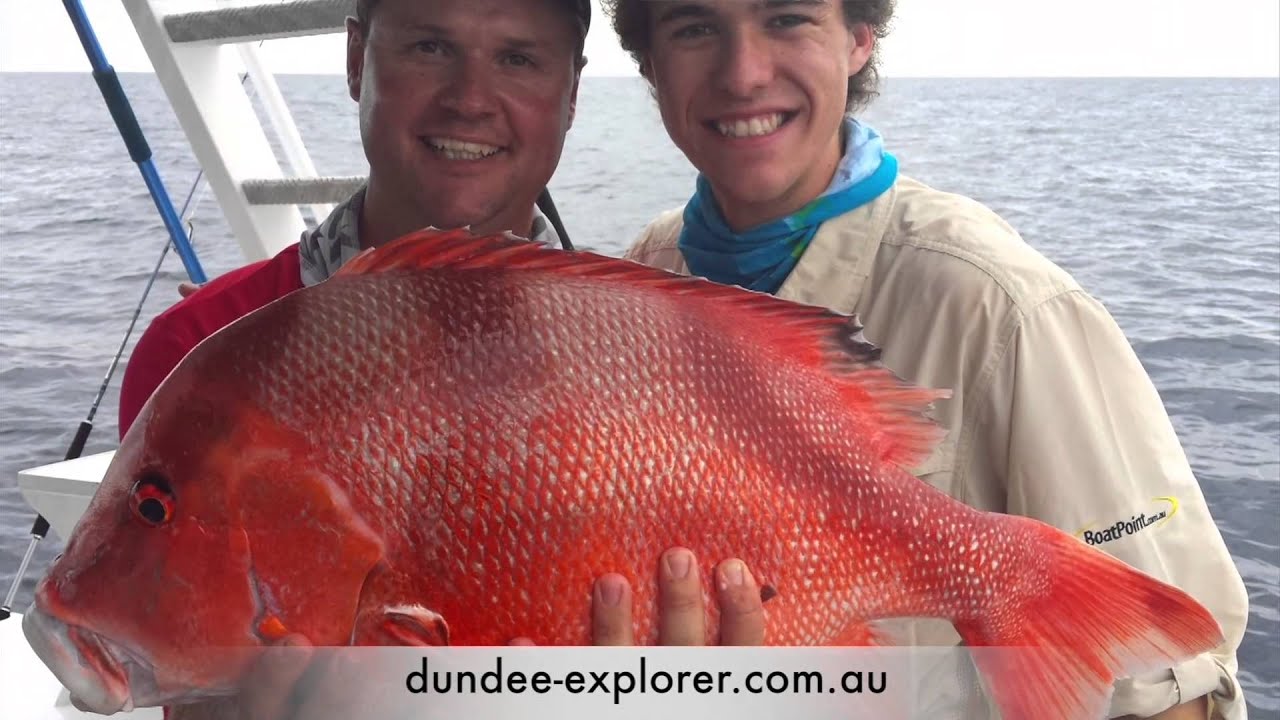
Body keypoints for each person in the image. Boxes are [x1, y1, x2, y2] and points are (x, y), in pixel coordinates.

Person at [596, 0, 1250, 718]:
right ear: (651, 66)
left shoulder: (999, 301)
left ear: (858, 40)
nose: (743, 73)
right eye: (694, 28)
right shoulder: (645, 274)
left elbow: (1167, 695)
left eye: (786, 18)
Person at [113, 0, 765, 718]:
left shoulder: (653, 352)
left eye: (517, 58)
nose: (470, 99)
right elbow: (182, 655)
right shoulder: (201, 351)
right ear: (357, 59)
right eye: (429, 47)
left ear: (571, 95)